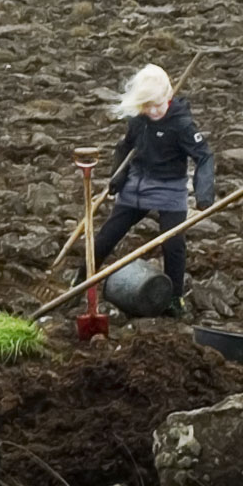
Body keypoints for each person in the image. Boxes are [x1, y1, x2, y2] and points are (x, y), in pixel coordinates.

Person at [91, 64, 215, 317]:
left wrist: (204, 195)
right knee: (108, 234)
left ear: (168, 95)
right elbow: (124, 148)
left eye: (159, 104)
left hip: (169, 188)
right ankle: (83, 279)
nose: (155, 110)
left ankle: (174, 299)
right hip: (137, 185)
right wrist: (118, 175)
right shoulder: (138, 121)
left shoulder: (182, 124)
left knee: (173, 244)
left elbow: (204, 157)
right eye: (148, 105)